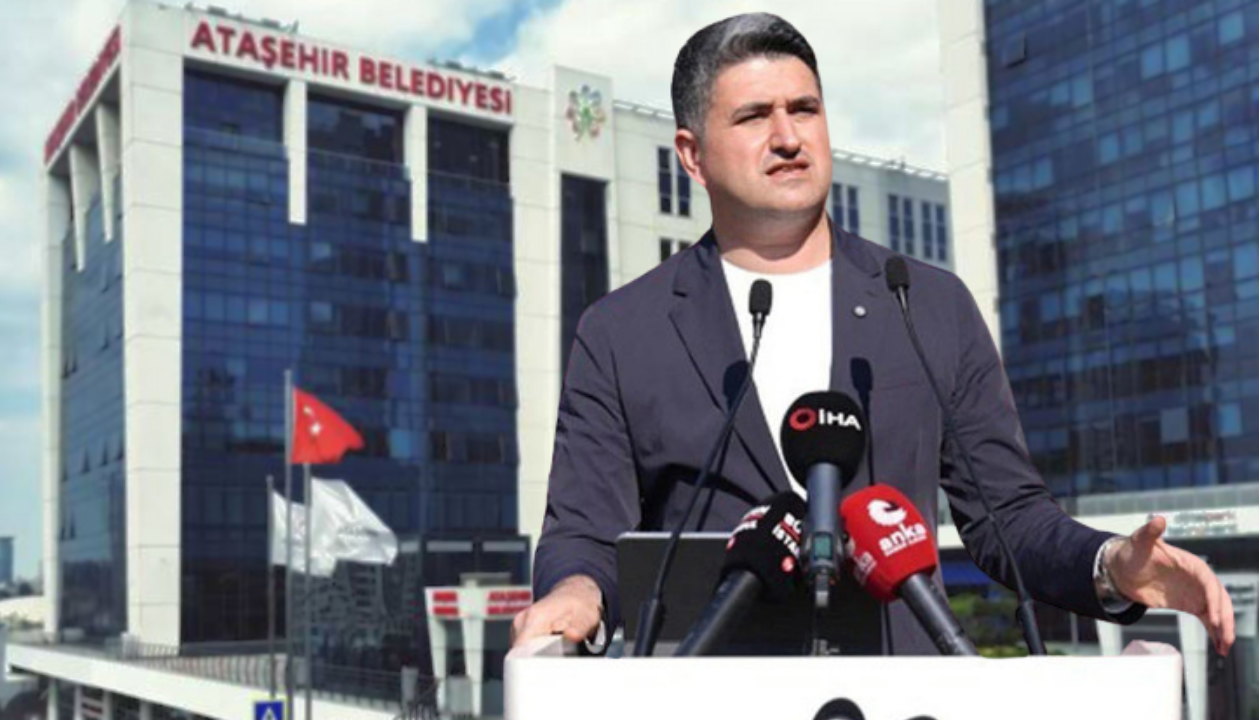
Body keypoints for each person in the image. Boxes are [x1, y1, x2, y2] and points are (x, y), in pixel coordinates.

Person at [511, 13, 1235, 656]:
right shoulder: (622, 331)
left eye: (804, 109)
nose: (788, 137)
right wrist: (576, 594)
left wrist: (1111, 565)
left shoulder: (926, 304)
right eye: (754, 116)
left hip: (901, 694)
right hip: (711, 692)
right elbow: (585, 530)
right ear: (692, 155)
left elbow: (1008, 517)